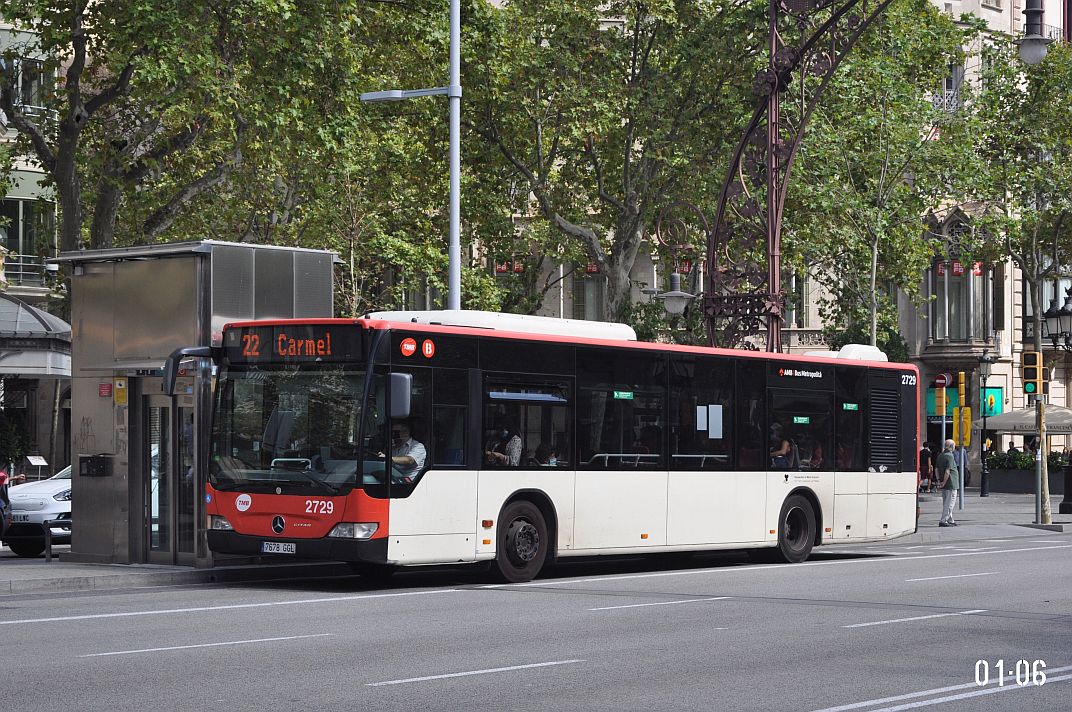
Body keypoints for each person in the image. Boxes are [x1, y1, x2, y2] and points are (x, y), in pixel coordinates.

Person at [935, 438, 959, 527]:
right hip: (951, 483)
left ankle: (950, 519)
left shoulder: (940, 455)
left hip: (944, 482)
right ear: (951, 446)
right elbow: (947, 471)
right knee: (950, 503)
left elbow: (936, 469)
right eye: (954, 446)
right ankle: (943, 520)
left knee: (946, 502)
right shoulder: (950, 456)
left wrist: (938, 481)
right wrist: (944, 482)